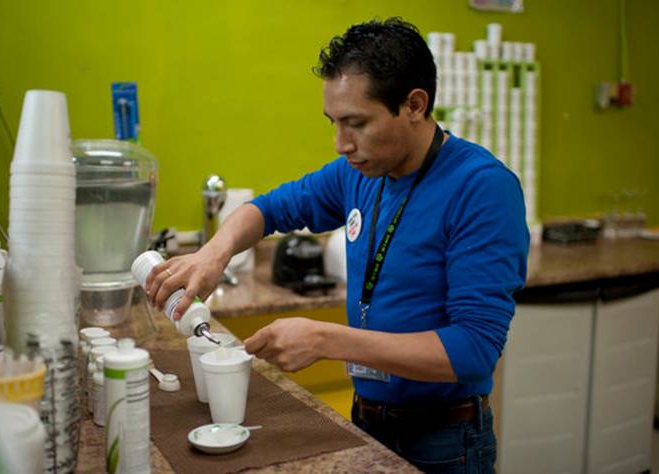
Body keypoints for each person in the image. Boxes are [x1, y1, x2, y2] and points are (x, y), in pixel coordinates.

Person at [145, 18, 529, 473]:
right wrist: (215, 251)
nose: (341, 144)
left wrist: (327, 339)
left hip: (444, 441)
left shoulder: (481, 188)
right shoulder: (360, 171)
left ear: (414, 104)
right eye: (334, 123)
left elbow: (473, 348)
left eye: (356, 123)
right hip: (368, 419)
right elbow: (268, 209)